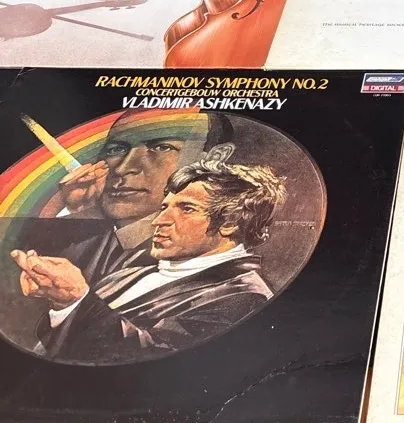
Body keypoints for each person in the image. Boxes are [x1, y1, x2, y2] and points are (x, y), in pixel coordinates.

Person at [9, 160, 285, 364]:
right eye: (165, 207)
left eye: (186, 208)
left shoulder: (245, 298)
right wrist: (61, 301)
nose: (159, 221)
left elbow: (156, 363)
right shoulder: (127, 273)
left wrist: (74, 301)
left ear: (230, 222)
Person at [21, 109, 234, 284]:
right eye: (116, 149)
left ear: (214, 159)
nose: (123, 168)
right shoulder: (88, 233)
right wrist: (72, 208)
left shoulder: (209, 257)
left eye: (161, 147)